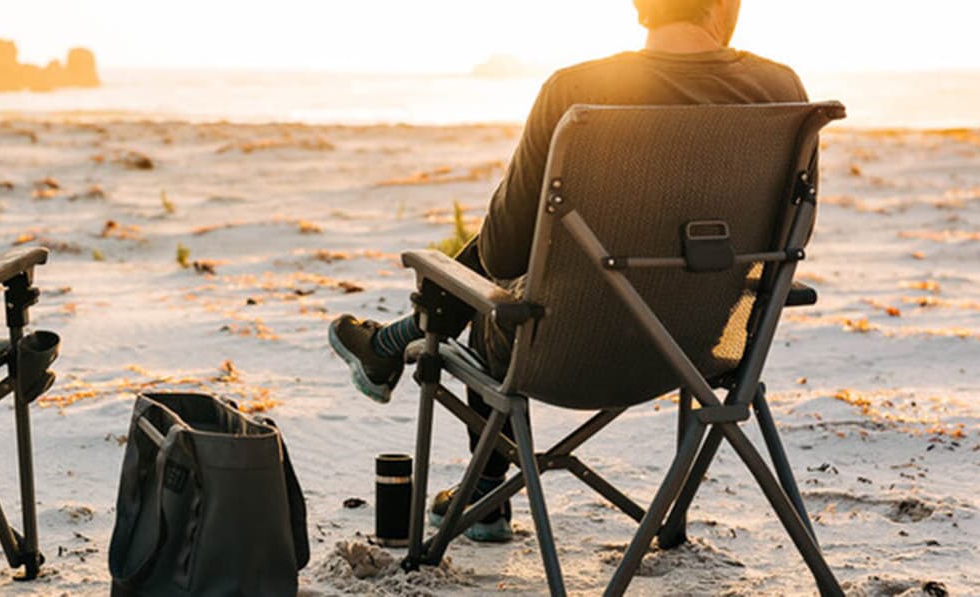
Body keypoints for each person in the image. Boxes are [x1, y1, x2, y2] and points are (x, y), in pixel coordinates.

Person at [328, 0, 810, 542]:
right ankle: (399, 350)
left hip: (563, 356)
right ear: (724, 4)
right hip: (702, 355)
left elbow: (502, 256)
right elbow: (786, 242)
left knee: (503, 291)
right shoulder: (780, 88)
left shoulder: (574, 91)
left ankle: (479, 482)